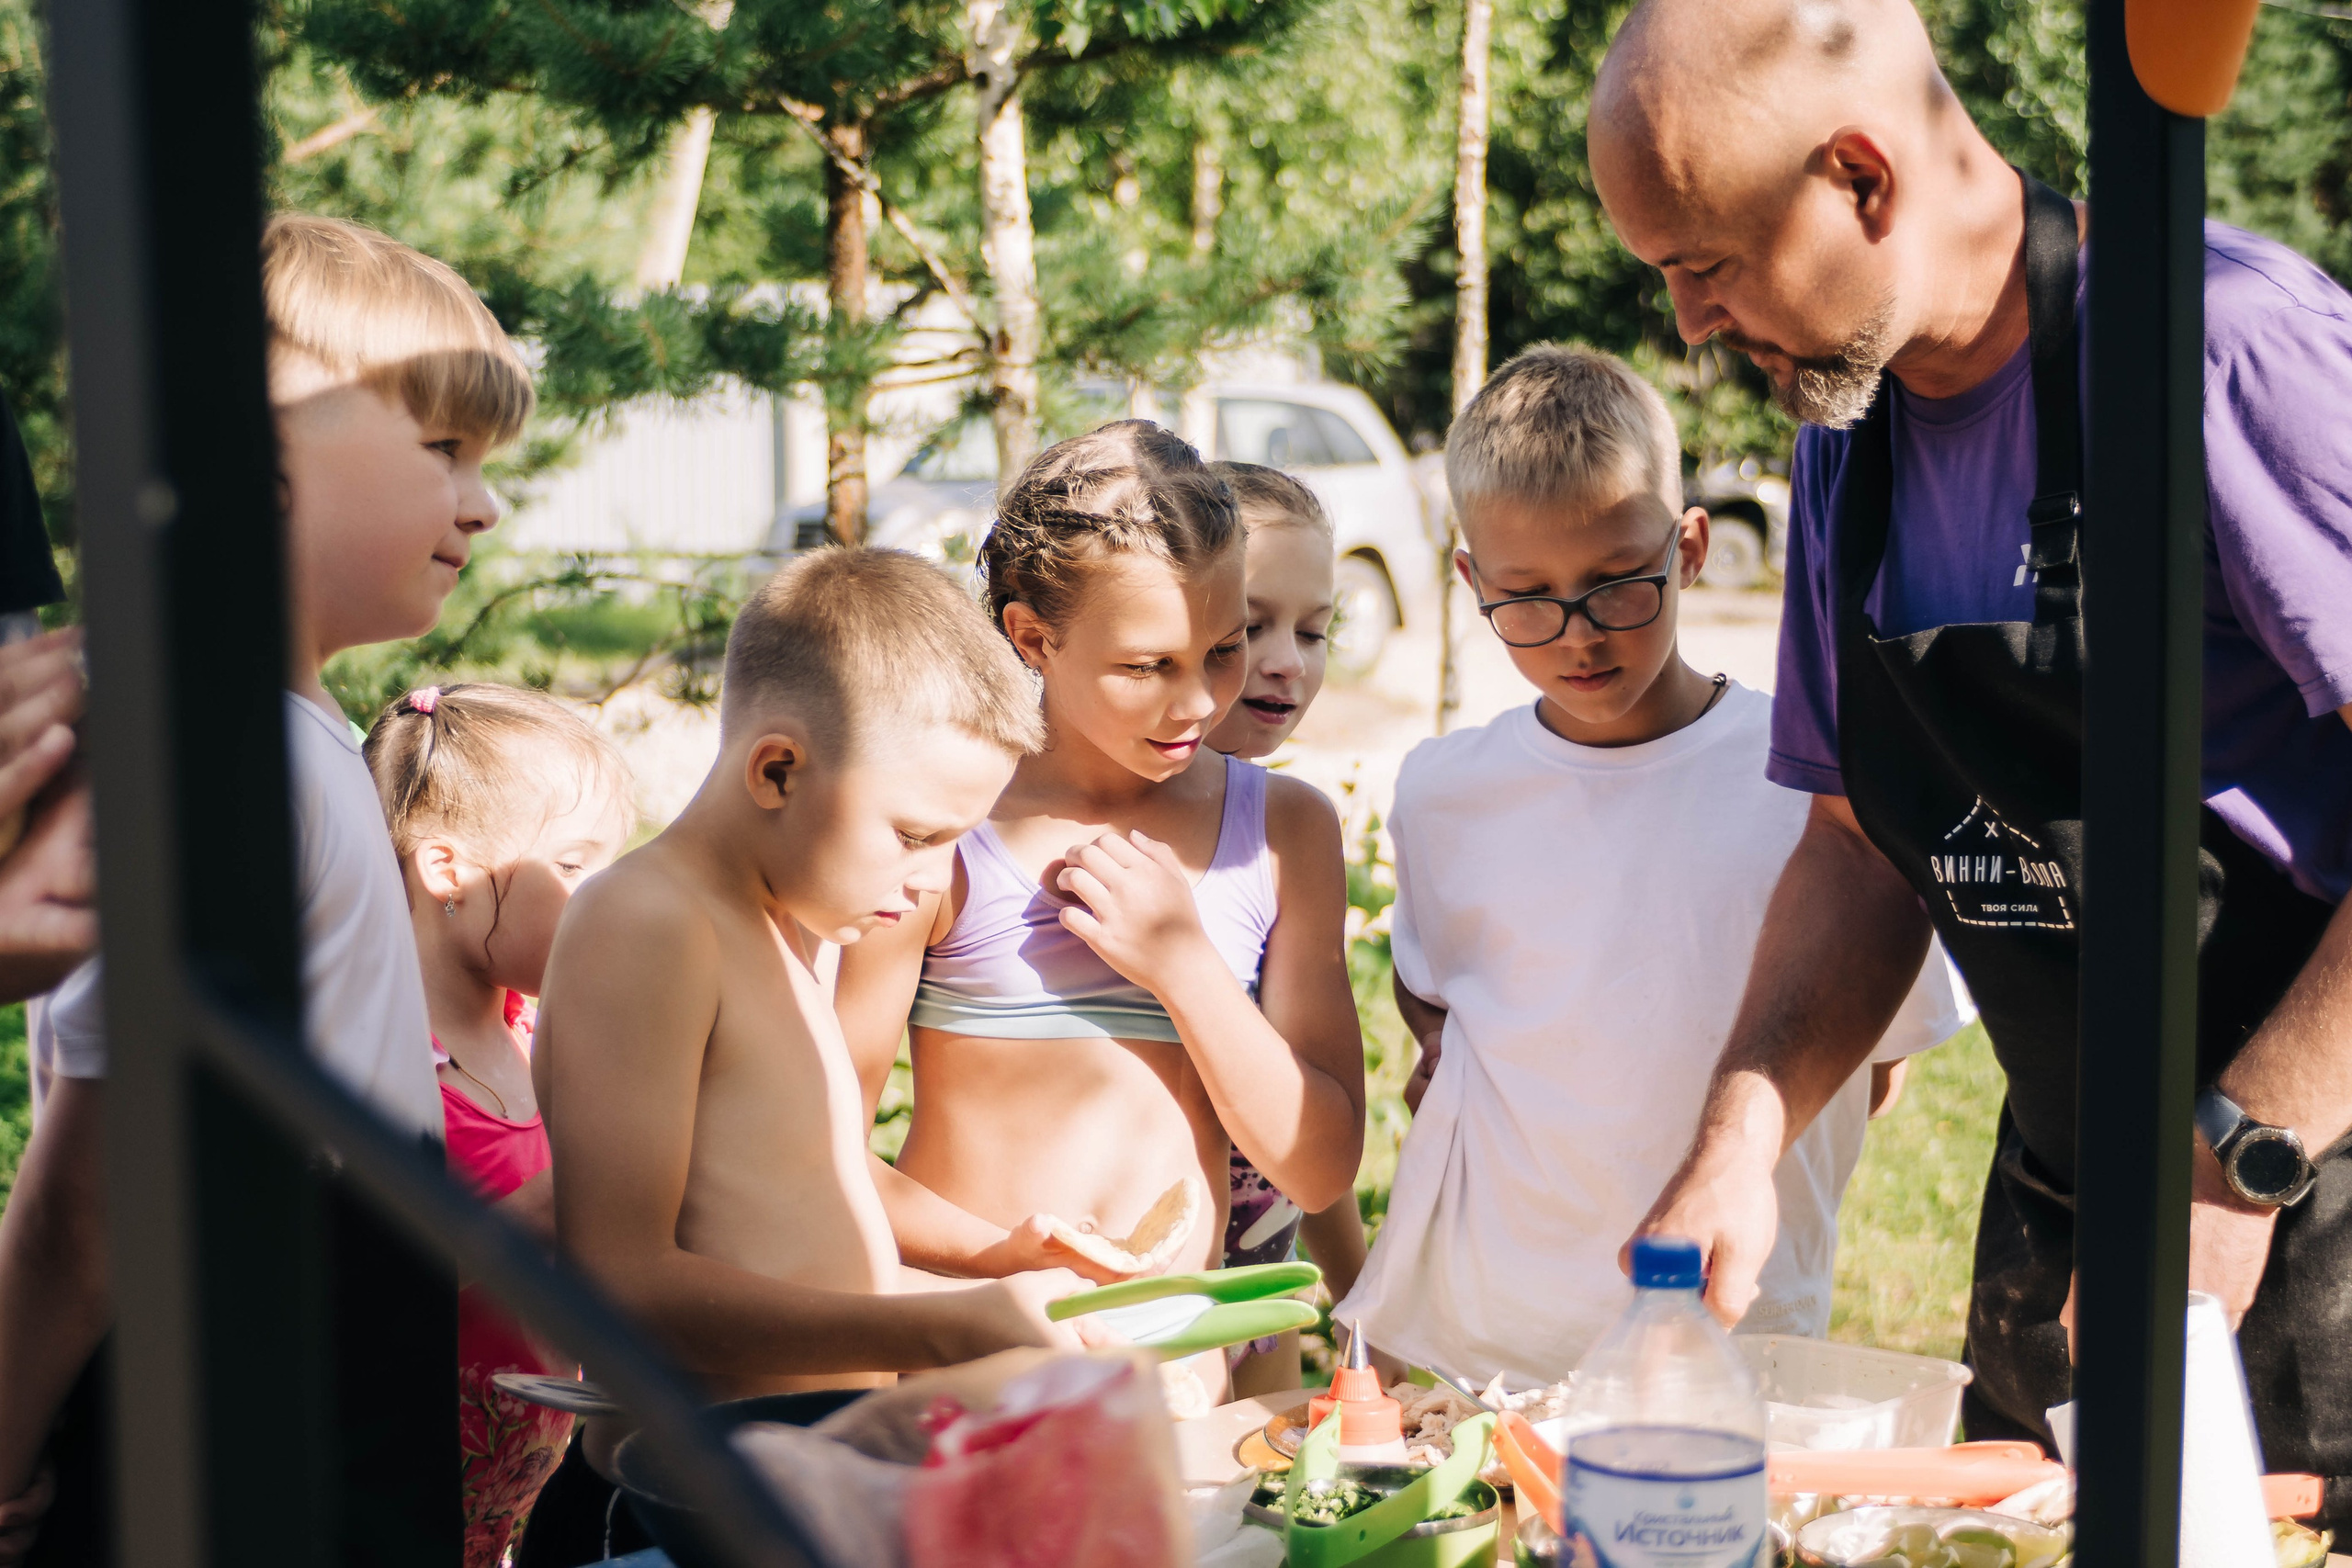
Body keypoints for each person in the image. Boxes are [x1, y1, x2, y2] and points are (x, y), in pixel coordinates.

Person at [1589, 0, 2352, 1511]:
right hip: (2066, 1224)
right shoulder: (1846, 439)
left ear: (1862, 179)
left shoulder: (2223, 350)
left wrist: (2231, 1163)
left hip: (2310, 1211)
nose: (1688, 324)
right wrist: (1741, 1132)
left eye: (1707, 264)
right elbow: (1860, 848)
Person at [0, 211, 535, 1564]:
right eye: (445, 448)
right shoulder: (216, 753)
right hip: (235, 1423)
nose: (483, 504)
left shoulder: (288, 739)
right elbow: (92, 1201)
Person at [1329, 346, 1970, 1388]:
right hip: (1486, 1346)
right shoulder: (1443, 791)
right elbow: (1433, 1004)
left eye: (1616, 584)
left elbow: (1879, 1067)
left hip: (1726, 1343)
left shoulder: (1821, 790)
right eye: (1527, 598)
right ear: (1470, 581)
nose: (1578, 636)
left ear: (1691, 548)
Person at [520, 547, 1098, 1563]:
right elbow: (620, 1277)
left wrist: (996, 1262)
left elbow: (805, 1174)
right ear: (778, 770)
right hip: (670, 1507)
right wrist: (941, 1328)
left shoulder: (784, 921)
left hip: (792, 1487)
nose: (931, 882)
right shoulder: (649, 922)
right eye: (913, 834)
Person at [833, 423, 1366, 1414]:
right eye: (1148, 666)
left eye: (1223, 649)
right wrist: (1001, 1259)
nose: (1198, 700)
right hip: (969, 1380)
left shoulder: (1282, 830)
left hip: (1175, 1399)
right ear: (1033, 636)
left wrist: (1184, 965)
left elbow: (1321, 1166)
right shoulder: (945, 825)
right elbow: (820, 1149)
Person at [363, 682, 635, 1568]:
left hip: (512, 1497)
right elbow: (357, 1290)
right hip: (394, 1503)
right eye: (575, 864)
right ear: (449, 871)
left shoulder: (535, 1029)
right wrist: (552, 1203)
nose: (608, 897)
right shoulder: (387, 1071)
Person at [1199, 460, 1374, 1396]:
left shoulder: (1288, 830)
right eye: (1252, 625)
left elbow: (1310, 1118)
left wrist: (1362, 1309)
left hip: (1255, 1305)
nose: (1287, 662)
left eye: (1312, 632)